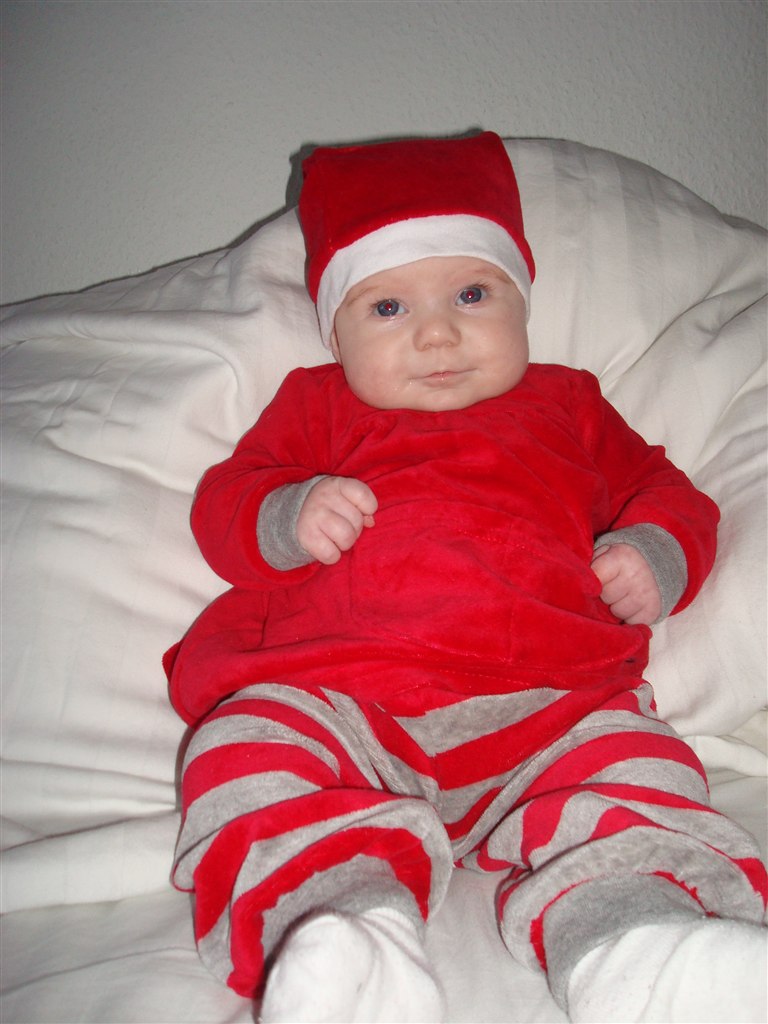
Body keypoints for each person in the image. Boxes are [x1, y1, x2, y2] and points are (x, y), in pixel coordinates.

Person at [165, 132, 767, 1023]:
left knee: (640, 769)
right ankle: (343, 938)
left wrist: (655, 552)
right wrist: (288, 515)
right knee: (246, 746)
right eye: (387, 308)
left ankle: (641, 946)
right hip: (348, 703)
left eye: (473, 295)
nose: (437, 333)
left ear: (523, 301)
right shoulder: (315, 405)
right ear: (334, 331)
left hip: (554, 713)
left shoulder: (568, 403)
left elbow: (667, 492)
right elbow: (226, 505)